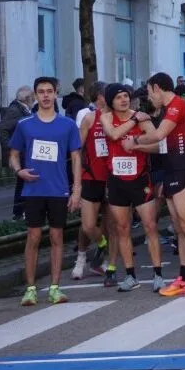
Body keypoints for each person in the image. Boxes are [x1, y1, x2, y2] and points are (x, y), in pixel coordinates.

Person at [126, 72, 185, 298]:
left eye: (149, 92)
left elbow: (158, 135)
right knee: (179, 227)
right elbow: (162, 145)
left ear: (157, 88)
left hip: (184, 170)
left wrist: (135, 139)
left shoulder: (177, 105)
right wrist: (136, 148)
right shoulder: (169, 111)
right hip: (170, 170)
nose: (149, 98)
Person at [10, 77, 81, 306]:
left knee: (57, 237)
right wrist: (19, 171)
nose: (46, 95)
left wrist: (76, 189)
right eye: (41, 92)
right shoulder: (25, 125)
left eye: (50, 91)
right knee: (33, 237)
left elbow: (77, 158)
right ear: (35, 95)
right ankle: (30, 289)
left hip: (58, 189)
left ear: (56, 94)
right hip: (33, 190)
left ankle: (54, 288)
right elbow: (13, 154)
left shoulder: (67, 125)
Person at [98, 83, 165, 292]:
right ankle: (130, 275)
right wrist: (135, 120)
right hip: (117, 180)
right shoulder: (107, 117)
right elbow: (114, 135)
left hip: (140, 178)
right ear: (111, 101)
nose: (124, 100)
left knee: (150, 226)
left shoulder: (143, 118)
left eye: (126, 96)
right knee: (122, 228)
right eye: (118, 97)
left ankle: (158, 274)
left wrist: (137, 145)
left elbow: (158, 145)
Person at [73, 81, 111, 281]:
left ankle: (100, 261)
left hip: (113, 176)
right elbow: (77, 150)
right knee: (87, 225)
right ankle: (80, 258)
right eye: (109, 94)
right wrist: (76, 183)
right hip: (92, 176)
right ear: (100, 97)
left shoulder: (118, 117)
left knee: (108, 222)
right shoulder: (89, 118)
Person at [0, 86, 35, 220]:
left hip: (23, 152)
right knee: (22, 182)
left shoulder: (22, 109)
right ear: (27, 98)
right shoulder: (15, 110)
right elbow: (2, 128)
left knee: (23, 182)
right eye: (32, 97)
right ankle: (19, 213)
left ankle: (21, 212)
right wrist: (10, 149)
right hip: (19, 153)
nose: (34, 100)